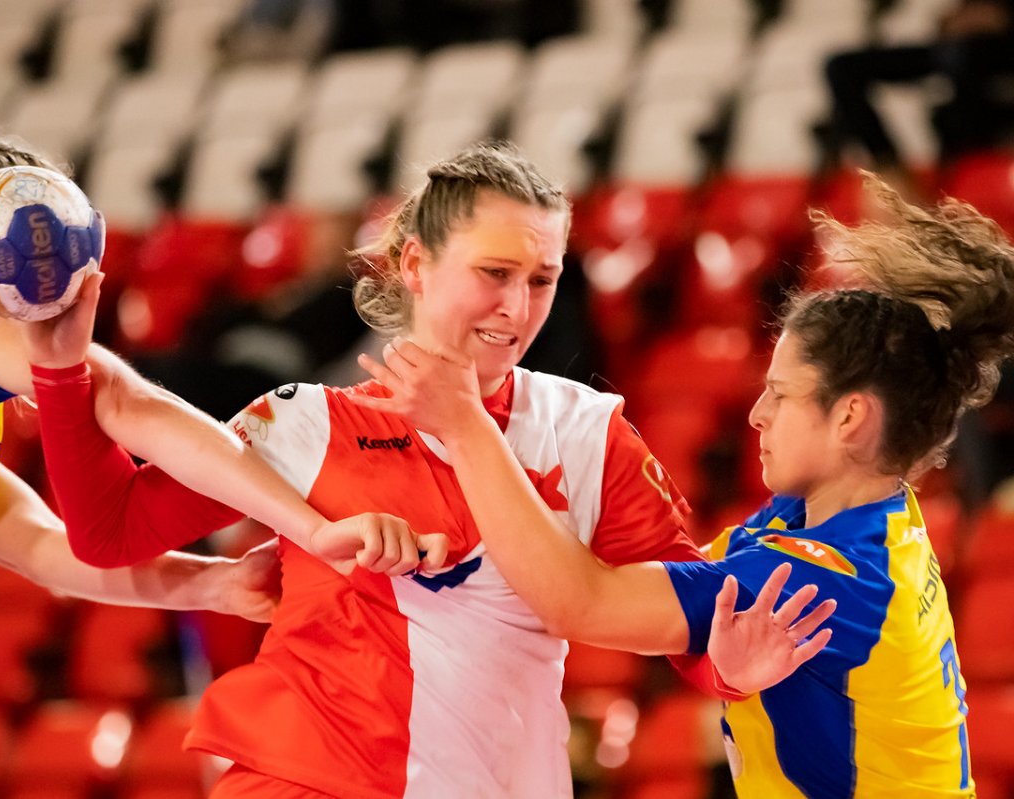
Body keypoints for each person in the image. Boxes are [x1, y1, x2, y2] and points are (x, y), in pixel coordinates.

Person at [25, 142, 830, 798]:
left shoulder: (587, 432)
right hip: (306, 778)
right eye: (494, 273)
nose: (517, 308)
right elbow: (108, 532)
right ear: (413, 264)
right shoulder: (306, 422)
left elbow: (686, 618)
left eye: (542, 280)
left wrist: (726, 669)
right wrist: (59, 372)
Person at [356, 172, 1011, 797]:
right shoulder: (841, 521)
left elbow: (582, 604)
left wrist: (466, 427)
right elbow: (669, 585)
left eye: (781, 394)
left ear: (849, 417)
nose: (757, 414)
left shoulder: (816, 578)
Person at [0, 131, 444, 629]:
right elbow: (120, 400)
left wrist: (213, 584)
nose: (49, 266)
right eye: (34, 233)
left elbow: (43, 549)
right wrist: (311, 526)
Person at [825, 0, 1014, 192]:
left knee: (960, 59)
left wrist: (995, 18)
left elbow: (991, 19)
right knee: (842, 68)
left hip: (993, 51)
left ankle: (971, 167)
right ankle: (890, 171)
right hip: (956, 48)